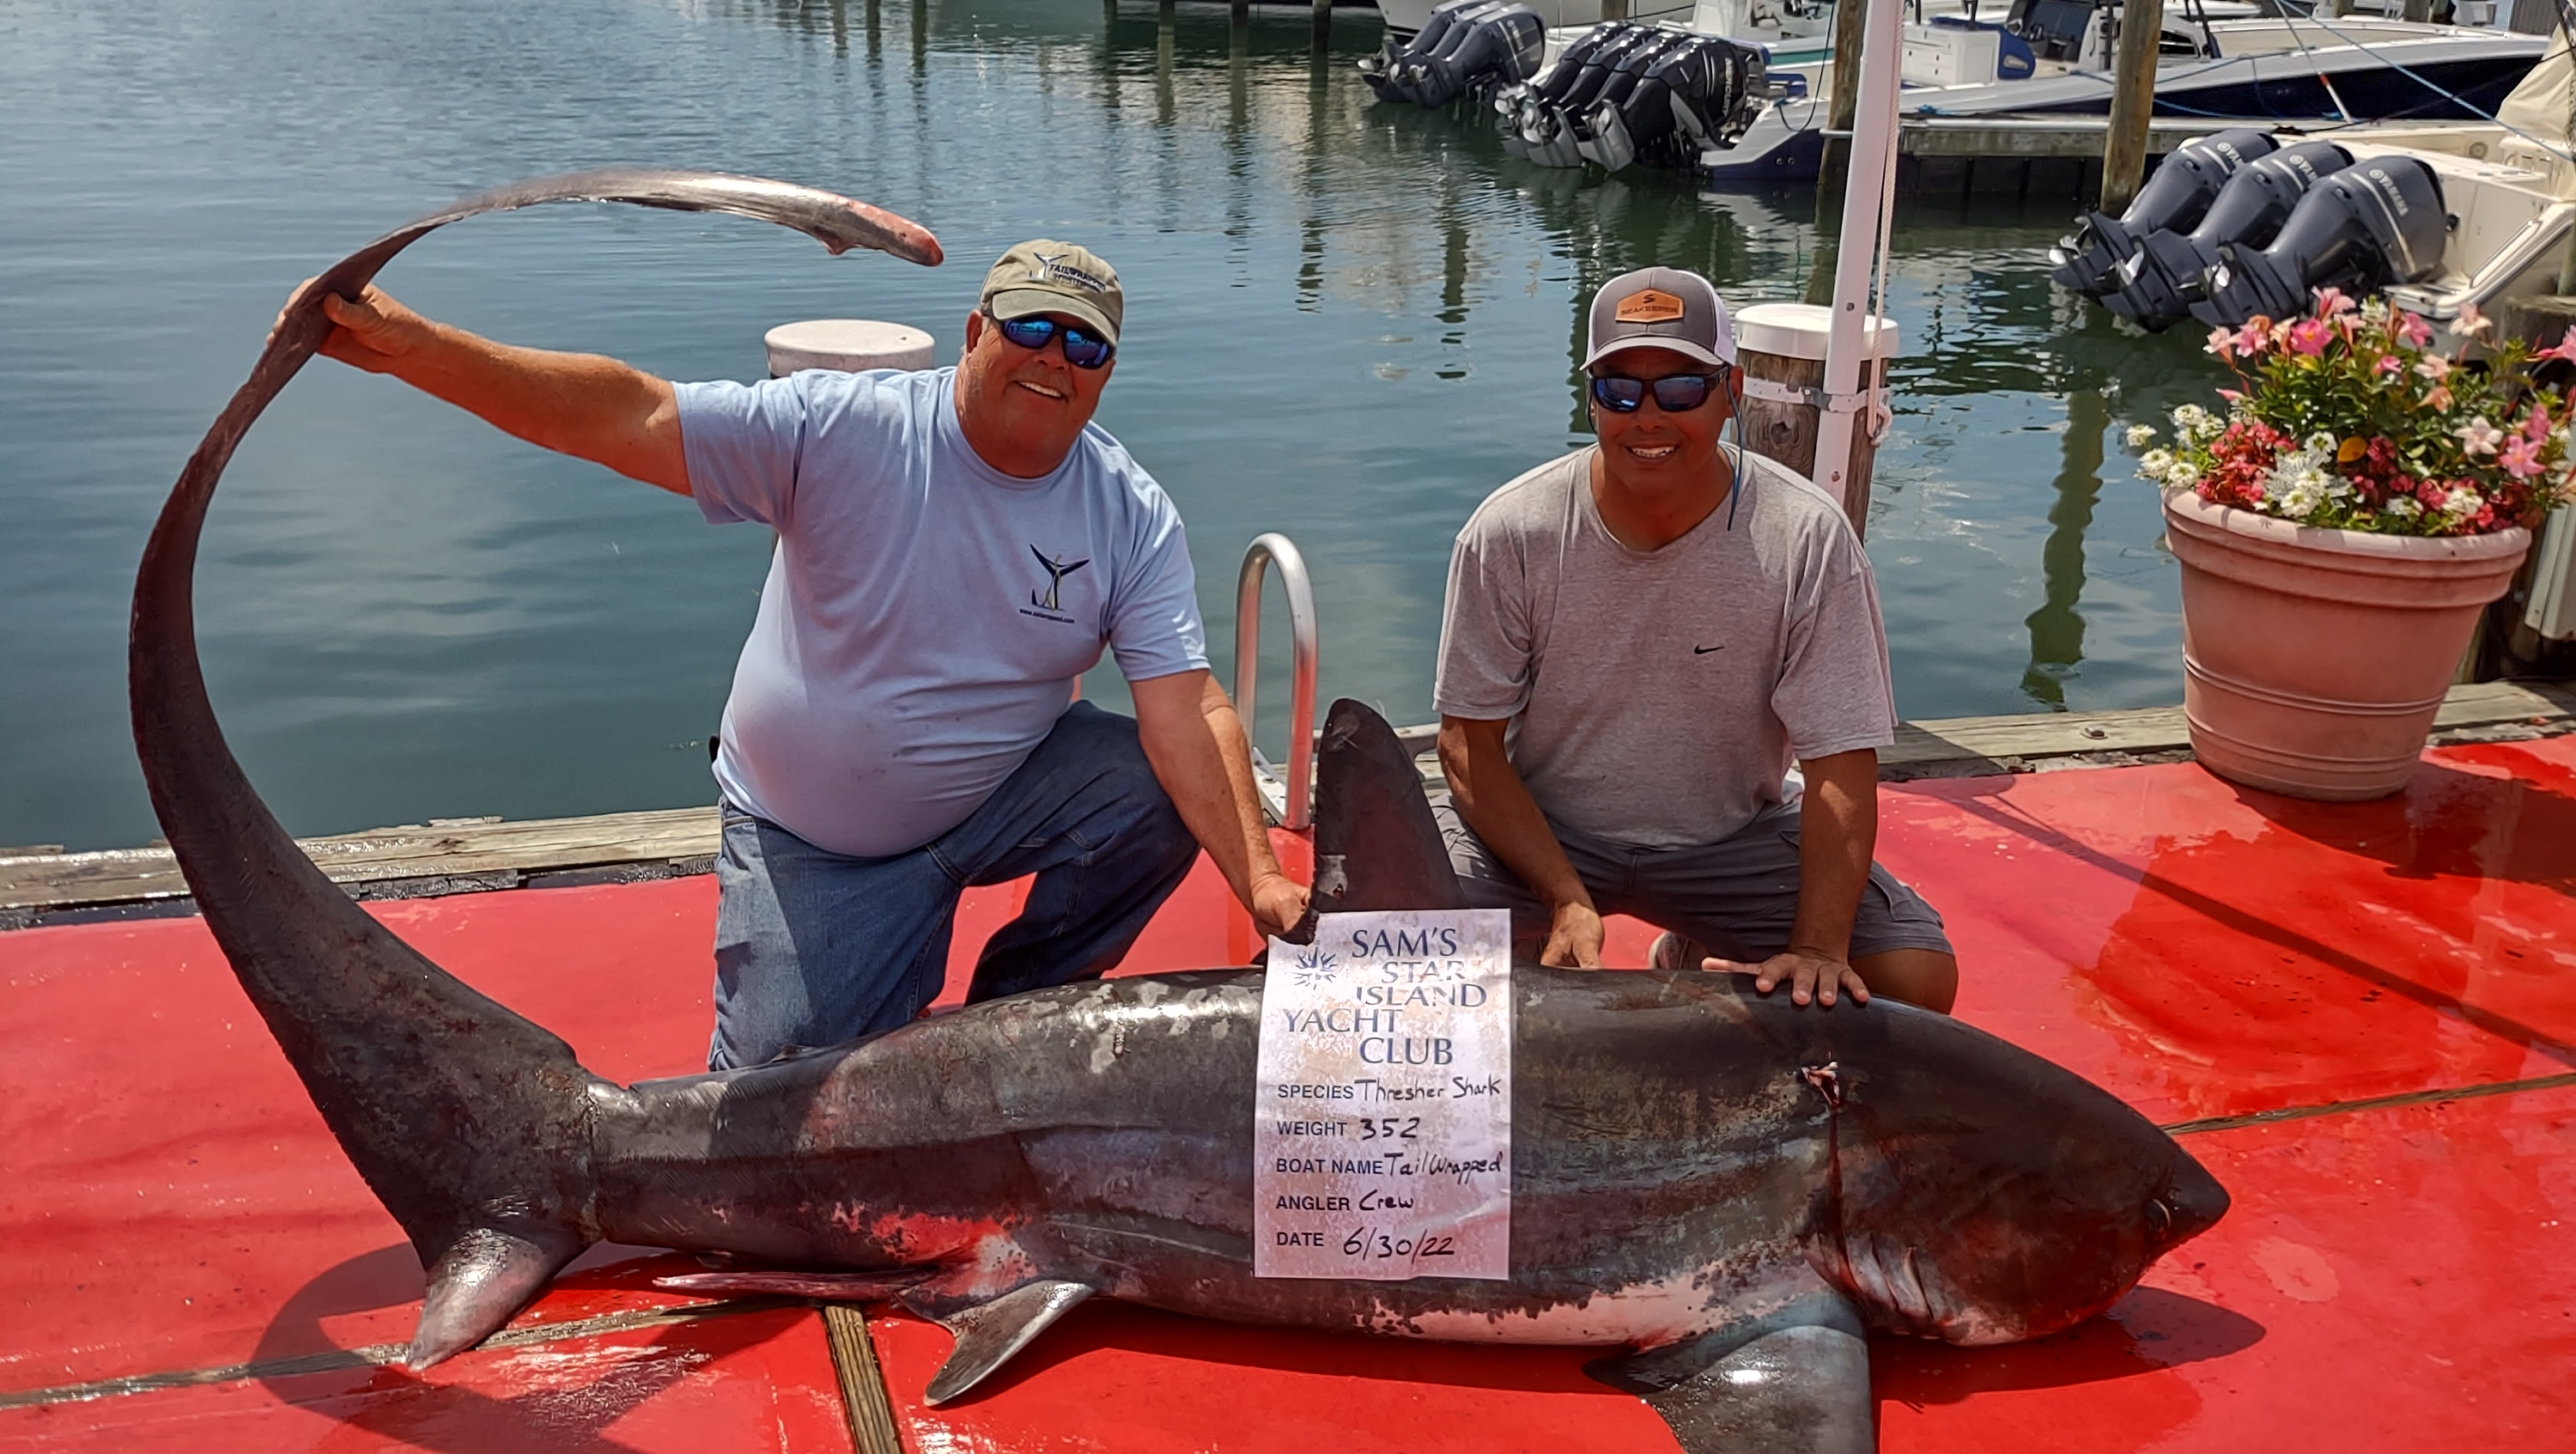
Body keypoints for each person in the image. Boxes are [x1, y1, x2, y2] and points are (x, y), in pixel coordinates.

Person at [310, 236, 1309, 1064]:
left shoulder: (1129, 510)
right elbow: (632, 415)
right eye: (1032, 329)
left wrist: (1259, 881)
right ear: (974, 332)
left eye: (1084, 347)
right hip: (815, 841)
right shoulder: (845, 430)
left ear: (1105, 374)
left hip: (1004, 787)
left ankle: (1020, 1017)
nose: (1054, 361)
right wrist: (415, 349)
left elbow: (1190, 706)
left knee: (1158, 789)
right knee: (769, 1118)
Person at [1431, 265, 1956, 1013]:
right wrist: (1563, 894)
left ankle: (1693, 939)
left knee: (1913, 982)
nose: (1649, 417)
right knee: (1427, 964)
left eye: (1680, 388)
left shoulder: (1807, 536)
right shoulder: (1510, 531)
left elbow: (1840, 759)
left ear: (1731, 392)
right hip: (1545, 828)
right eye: (1620, 390)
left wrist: (1817, 948)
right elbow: (1467, 746)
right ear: (1591, 401)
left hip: (1731, 838)